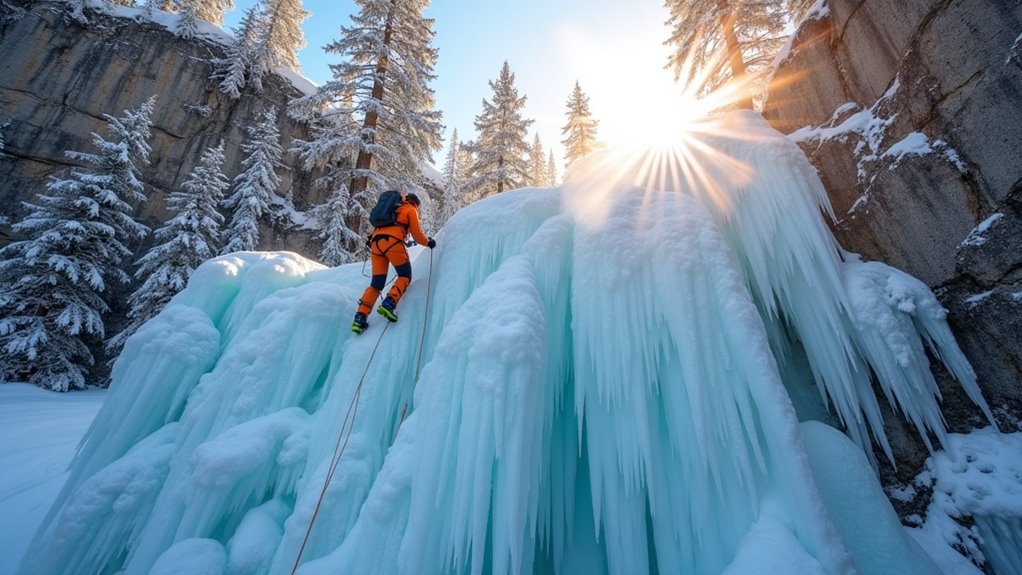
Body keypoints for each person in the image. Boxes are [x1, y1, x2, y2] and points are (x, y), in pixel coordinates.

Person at [351, 191, 436, 334]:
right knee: (405, 275)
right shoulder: (411, 209)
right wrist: (429, 243)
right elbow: (416, 234)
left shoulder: (393, 208)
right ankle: (389, 303)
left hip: (376, 244)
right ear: (416, 204)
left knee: (376, 284)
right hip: (393, 242)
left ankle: (360, 318)